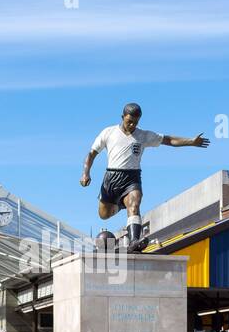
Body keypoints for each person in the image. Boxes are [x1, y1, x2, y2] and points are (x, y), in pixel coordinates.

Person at [80, 102, 210, 251]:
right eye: (129, 121)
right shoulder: (108, 132)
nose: (132, 125)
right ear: (122, 117)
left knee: (135, 204)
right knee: (104, 215)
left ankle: (134, 241)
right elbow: (91, 154)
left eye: (135, 122)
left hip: (132, 177)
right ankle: (122, 204)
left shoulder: (143, 135)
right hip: (111, 177)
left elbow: (168, 140)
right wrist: (85, 173)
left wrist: (191, 142)